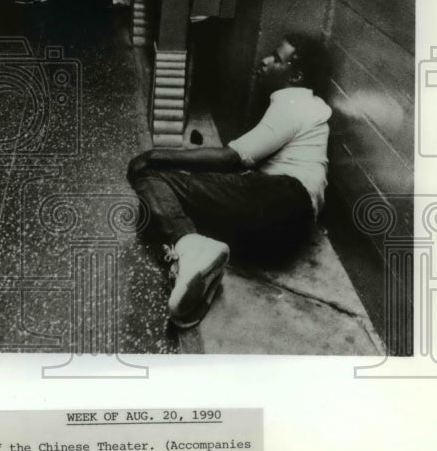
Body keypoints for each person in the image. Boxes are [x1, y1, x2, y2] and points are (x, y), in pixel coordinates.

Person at [126, 34, 333, 328]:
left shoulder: (293, 101)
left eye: (276, 58)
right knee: (177, 199)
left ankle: (192, 247)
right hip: (287, 232)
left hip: (281, 196)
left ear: (295, 75)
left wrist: (153, 155)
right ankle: (201, 264)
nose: (265, 60)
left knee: (150, 176)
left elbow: (231, 158)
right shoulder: (310, 108)